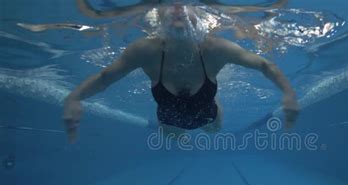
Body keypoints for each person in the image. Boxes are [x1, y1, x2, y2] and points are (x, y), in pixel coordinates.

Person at [63, 3, 299, 143]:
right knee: (173, 136)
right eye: (169, 2)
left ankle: (212, 99)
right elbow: (105, 78)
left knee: (214, 130)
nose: (178, 8)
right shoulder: (146, 51)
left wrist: (288, 93)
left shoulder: (215, 49)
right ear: (159, 15)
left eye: (187, 3)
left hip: (208, 114)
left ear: (198, 15)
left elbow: (264, 65)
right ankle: (183, 132)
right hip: (169, 120)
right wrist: (74, 98)